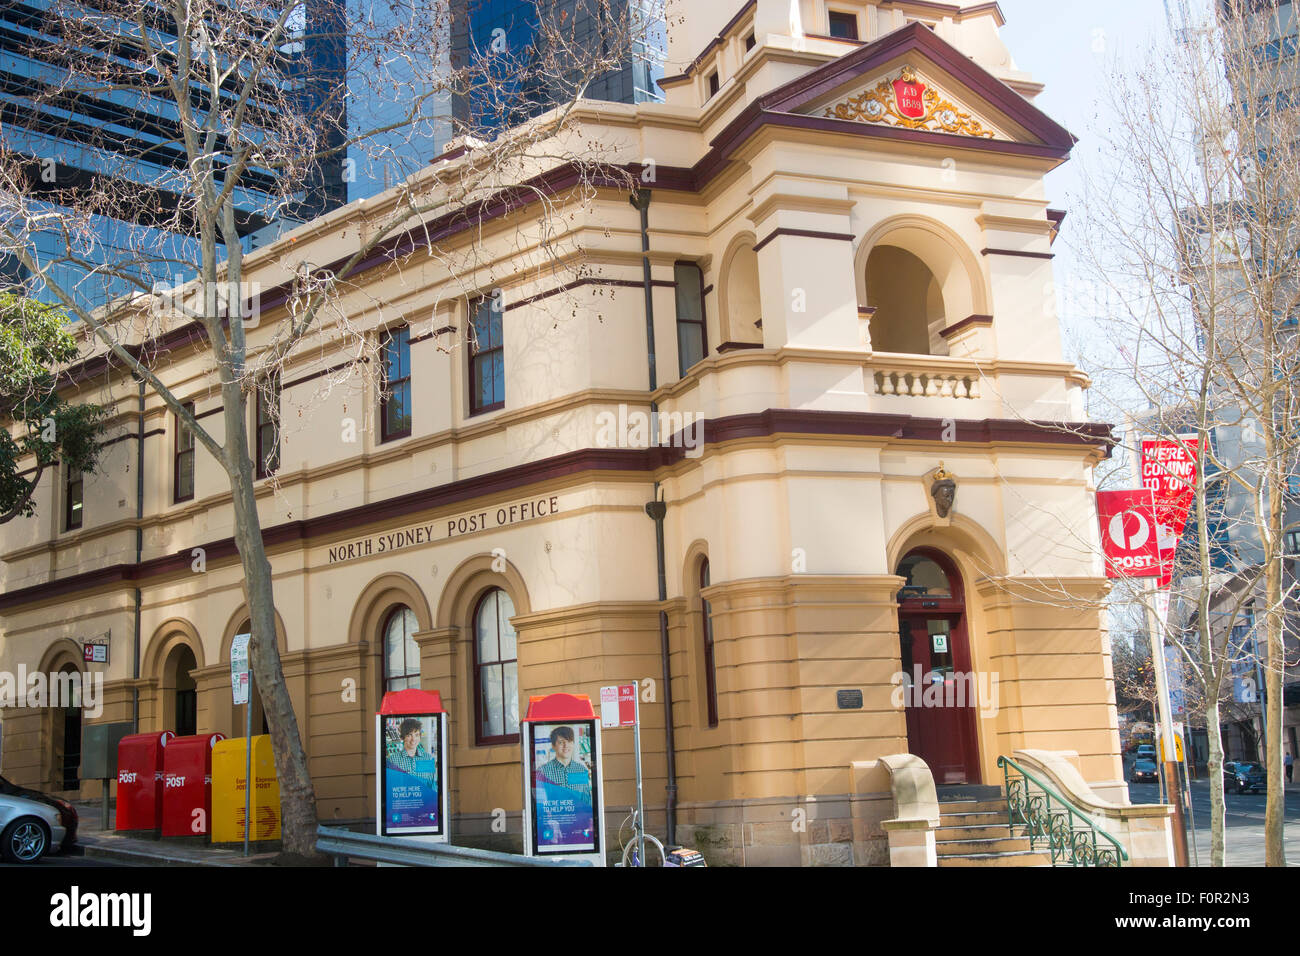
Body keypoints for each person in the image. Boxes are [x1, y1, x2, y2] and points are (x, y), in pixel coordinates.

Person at [536, 725, 591, 799]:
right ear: (553, 746)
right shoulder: (542, 772)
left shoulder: (581, 770)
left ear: (573, 744)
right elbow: (540, 801)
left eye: (569, 741)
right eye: (561, 742)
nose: (566, 745)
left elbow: (586, 800)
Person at [386, 717, 436, 788]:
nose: (413, 739)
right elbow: (391, 787)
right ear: (402, 737)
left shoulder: (428, 759)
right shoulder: (393, 760)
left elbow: (432, 786)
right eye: (409, 735)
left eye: (416, 735)